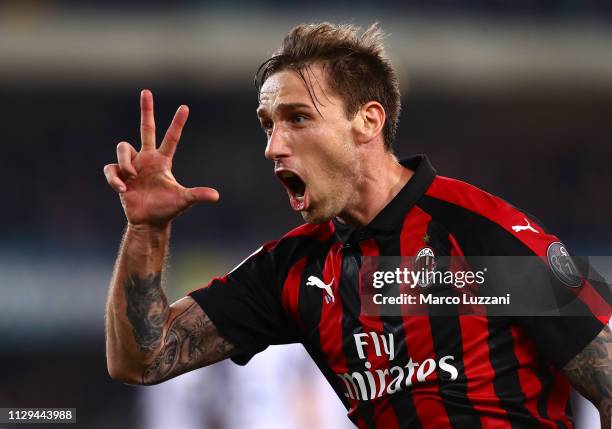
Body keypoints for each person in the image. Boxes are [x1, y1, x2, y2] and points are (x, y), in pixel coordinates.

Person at [103, 23, 611, 428]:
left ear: (368, 121)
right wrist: (147, 231)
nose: (273, 146)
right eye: (268, 124)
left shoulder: (485, 233)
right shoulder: (295, 268)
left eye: (297, 118)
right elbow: (142, 360)